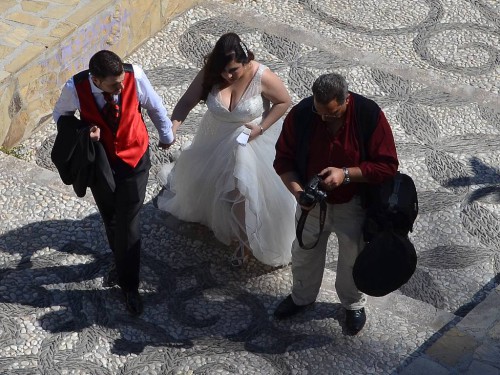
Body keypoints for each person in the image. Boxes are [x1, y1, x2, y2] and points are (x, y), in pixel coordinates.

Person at [273, 73, 399, 334]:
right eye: (319, 113)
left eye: (331, 114)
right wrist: (299, 194)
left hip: (353, 205)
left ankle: (353, 304)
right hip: (311, 205)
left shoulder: (368, 115)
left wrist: (346, 174)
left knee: (353, 257)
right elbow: (283, 160)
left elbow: (387, 166)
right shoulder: (302, 115)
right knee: (304, 254)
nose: (323, 119)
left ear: (346, 100)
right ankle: (301, 298)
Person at [157, 32, 296, 267]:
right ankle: (231, 229)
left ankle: (244, 242)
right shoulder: (211, 73)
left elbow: (283, 101)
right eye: (223, 70)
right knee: (212, 185)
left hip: (249, 141)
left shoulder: (261, 75)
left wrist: (261, 128)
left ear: (245, 60)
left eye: (233, 70)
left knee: (240, 191)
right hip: (214, 139)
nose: (227, 75)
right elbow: (185, 103)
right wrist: (172, 128)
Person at [53, 49, 175, 316]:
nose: (121, 87)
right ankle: (122, 263)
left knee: (128, 220)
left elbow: (154, 105)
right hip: (101, 162)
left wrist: (166, 135)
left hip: (135, 158)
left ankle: (129, 286)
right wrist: (84, 133)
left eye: (121, 81)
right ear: (96, 81)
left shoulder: (135, 75)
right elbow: (61, 116)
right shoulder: (75, 87)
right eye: (113, 84)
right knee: (111, 217)